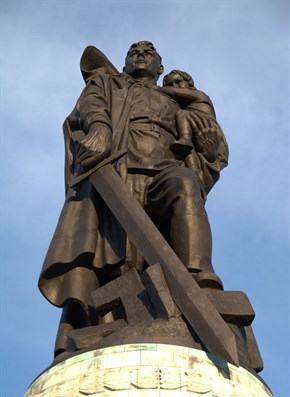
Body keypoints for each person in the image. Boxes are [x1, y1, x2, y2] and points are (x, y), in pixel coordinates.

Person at [39, 41, 228, 356]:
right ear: (124, 63)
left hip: (165, 171)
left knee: (185, 185)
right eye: (134, 51)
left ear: (161, 68)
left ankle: (197, 279)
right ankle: (111, 319)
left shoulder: (180, 104)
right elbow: (91, 105)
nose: (141, 54)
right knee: (118, 259)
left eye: (149, 52)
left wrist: (209, 148)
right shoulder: (108, 83)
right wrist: (100, 130)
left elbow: (211, 148)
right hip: (119, 170)